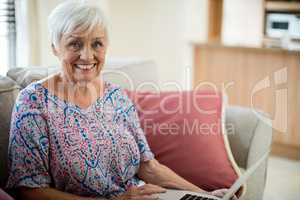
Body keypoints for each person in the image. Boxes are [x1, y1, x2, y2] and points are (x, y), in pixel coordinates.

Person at [6, 1, 236, 199]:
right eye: (75, 44)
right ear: (55, 47)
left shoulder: (116, 96)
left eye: (97, 43)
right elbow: (28, 191)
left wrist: (205, 196)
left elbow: (148, 166)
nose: (87, 55)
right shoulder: (34, 102)